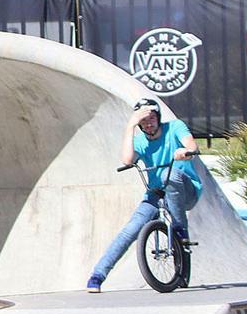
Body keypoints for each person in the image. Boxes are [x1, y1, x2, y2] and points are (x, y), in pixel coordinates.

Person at [86, 98, 202, 293]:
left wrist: (186, 151)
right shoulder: (139, 141)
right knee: (130, 230)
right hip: (157, 193)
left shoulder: (174, 127)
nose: (148, 124)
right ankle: (98, 275)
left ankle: (180, 229)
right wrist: (130, 125)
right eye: (143, 121)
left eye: (151, 118)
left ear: (158, 118)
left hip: (185, 190)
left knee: (168, 173)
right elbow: (127, 159)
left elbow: (191, 145)